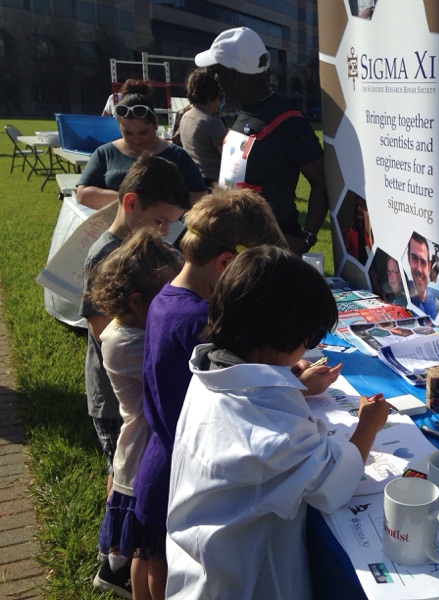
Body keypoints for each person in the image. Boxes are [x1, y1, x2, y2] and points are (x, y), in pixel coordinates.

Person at [134, 188, 340, 598]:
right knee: (165, 561)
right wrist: (297, 384)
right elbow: (241, 409)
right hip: (197, 471)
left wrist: (285, 372)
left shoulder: (174, 299)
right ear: (229, 265)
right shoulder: (200, 321)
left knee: (162, 558)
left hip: (173, 457)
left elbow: (234, 373)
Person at [165, 245, 390, 599]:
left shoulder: (212, 372)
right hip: (242, 584)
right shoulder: (274, 431)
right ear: (281, 336)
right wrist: (368, 426)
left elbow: (254, 396)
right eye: (310, 338)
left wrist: (290, 380)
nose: (309, 348)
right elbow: (335, 481)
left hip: (198, 563)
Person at [80, 153, 191, 597]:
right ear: (130, 203)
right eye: (160, 221)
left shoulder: (146, 259)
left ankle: (119, 559)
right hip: (116, 403)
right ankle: (114, 564)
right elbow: (102, 331)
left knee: (127, 488)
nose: (164, 231)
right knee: (123, 482)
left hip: (130, 405)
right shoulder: (109, 258)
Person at [195, 26, 328, 255]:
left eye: (217, 72)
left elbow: (321, 181)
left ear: (234, 75)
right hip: (237, 246)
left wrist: (307, 238)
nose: (215, 79)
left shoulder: (288, 121)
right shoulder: (247, 112)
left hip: (272, 254)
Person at [78, 92, 207, 210]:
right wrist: (129, 201)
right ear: (119, 126)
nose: (136, 140)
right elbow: (82, 194)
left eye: (143, 133)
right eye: (128, 133)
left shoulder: (177, 155)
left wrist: (156, 205)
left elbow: (201, 196)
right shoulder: (105, 153)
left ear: (155, 123)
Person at [177, 69, 228, 187]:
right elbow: (228, 157)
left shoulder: (185, 117)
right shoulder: (211, 122)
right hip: (213, 182)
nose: (219, 101)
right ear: (211, 96)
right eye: (219, 96)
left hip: (192, 178)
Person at [408, 232, 439, 318]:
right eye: (414, 258)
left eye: (423, 263)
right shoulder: (403, 296)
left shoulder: (438, 307)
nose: (419, 269)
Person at [344, 195, 372, 264]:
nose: (359, 217)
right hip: (358, 261)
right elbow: (345, 248)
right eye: (358, 214)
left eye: (361, 215)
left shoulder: (367, 230)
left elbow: (369, 247)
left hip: (367, 259)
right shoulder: (352, 230)